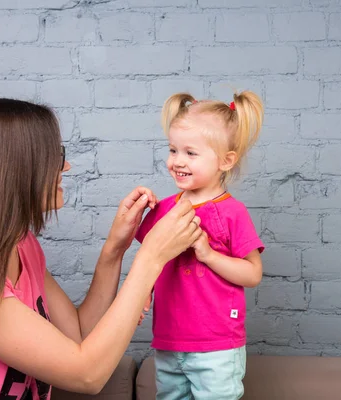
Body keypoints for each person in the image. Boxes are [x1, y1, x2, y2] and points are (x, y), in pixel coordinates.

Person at [0, 97, 203, 399]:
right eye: (53, 156)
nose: (65, 166)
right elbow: (86, 374)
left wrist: (114, 250)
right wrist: (151, 258)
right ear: (14, 171)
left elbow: (77, 335)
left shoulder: (22, 246)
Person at [135, 91, 265, 400]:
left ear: (225, 160)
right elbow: (149, 259)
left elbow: (252, 274)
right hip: (168, 341)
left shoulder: (232, 212)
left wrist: (208, 255)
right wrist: (142, 293)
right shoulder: (163, 209)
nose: (177, 161)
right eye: (173, 150)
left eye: (190, 153)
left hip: (217, 345)